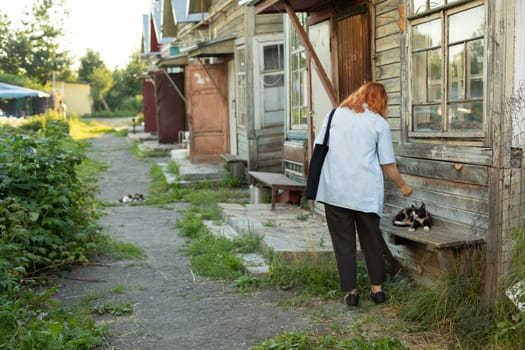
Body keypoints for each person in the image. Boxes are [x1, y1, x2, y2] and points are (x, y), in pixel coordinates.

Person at [313, 82, 412, 308]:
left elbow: (319, 147)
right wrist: (403, 186)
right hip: (365, 193)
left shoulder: (333, 115)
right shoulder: (379, 123)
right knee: (371, 242)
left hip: (335, 191)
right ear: (381, 100)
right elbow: (388, 165)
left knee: (343, 244)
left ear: (359, 95)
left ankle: (351, 293)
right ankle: (377, 290)